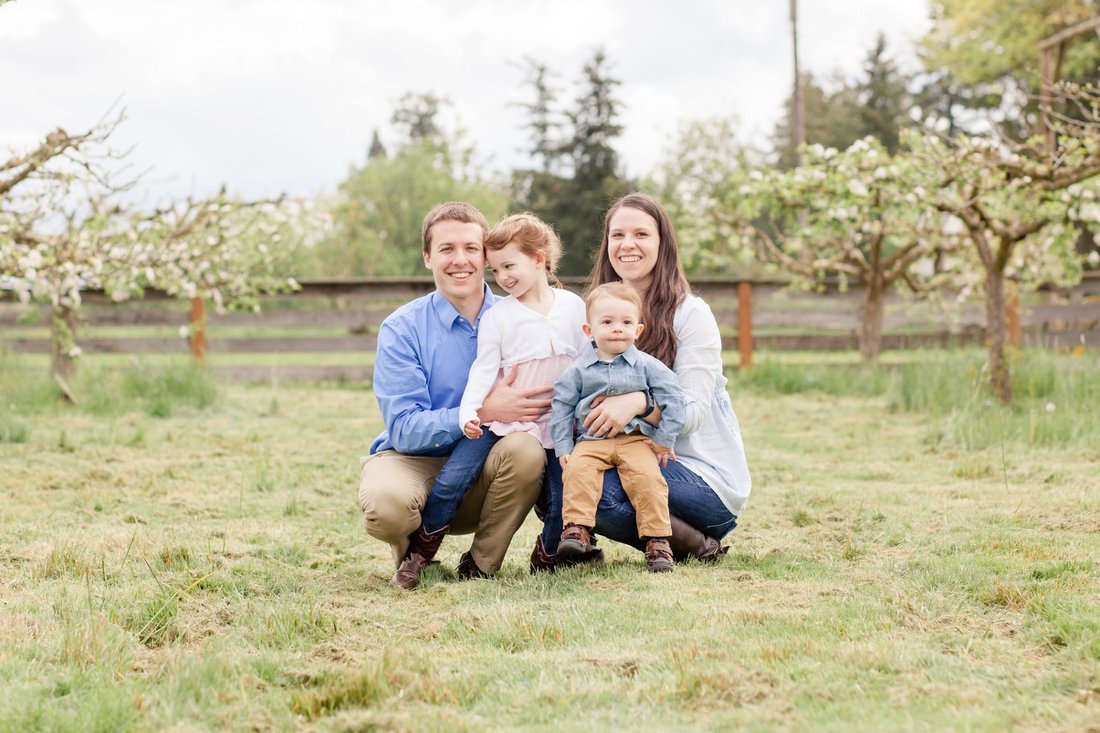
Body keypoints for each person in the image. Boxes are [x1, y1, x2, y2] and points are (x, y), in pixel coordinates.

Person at [534, 192, 751, 570]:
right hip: (624, 458)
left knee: (598, 492)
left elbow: (694, 414)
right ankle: (565, 549)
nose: (628, 245)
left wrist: (639, 404)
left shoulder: (690, 314)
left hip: (700, 479)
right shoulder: (599, 315)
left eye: (641, 234)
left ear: (662, 243)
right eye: (617, 235)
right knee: (559, 458)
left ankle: (695, 545)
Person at [389, 212, 590, 589]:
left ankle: (548, 556)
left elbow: (586, 360)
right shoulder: (499, 315)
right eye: (497, 270)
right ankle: (418, 555)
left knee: (563, 489)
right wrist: (472, 413)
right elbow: (483, 370)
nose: (504, 277)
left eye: (509, 266)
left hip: (556, 421)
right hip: (494, 423)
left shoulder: (573, 307)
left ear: (540, 258)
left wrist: (586, 408)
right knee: (452, 481)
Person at [358, 202, 550, 587]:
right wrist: (479, 409)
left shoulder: (521, 319)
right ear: (428, 256)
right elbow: (405, 429)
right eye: (447, 249)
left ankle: (481, 563)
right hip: (413, 460)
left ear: (486, 256)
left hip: (486, 467)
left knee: (528, 451)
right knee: (386, 505)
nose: (459, 260)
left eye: (471, 248)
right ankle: (412, 553)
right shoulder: (402, 328)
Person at [550, 282, 686, 573]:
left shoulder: (647, 366)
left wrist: (664, 439)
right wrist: (563, 446)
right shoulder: (578, 370)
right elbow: (561, 405)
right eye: (607, 322)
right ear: (589, 331)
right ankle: (577, 530)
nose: (617, 329)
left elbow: (675, 399)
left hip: (635, 439)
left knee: (648, 479)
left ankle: (657, 542)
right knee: (576, 471)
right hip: (591, 440)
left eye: (626, 322)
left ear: (638, 330)